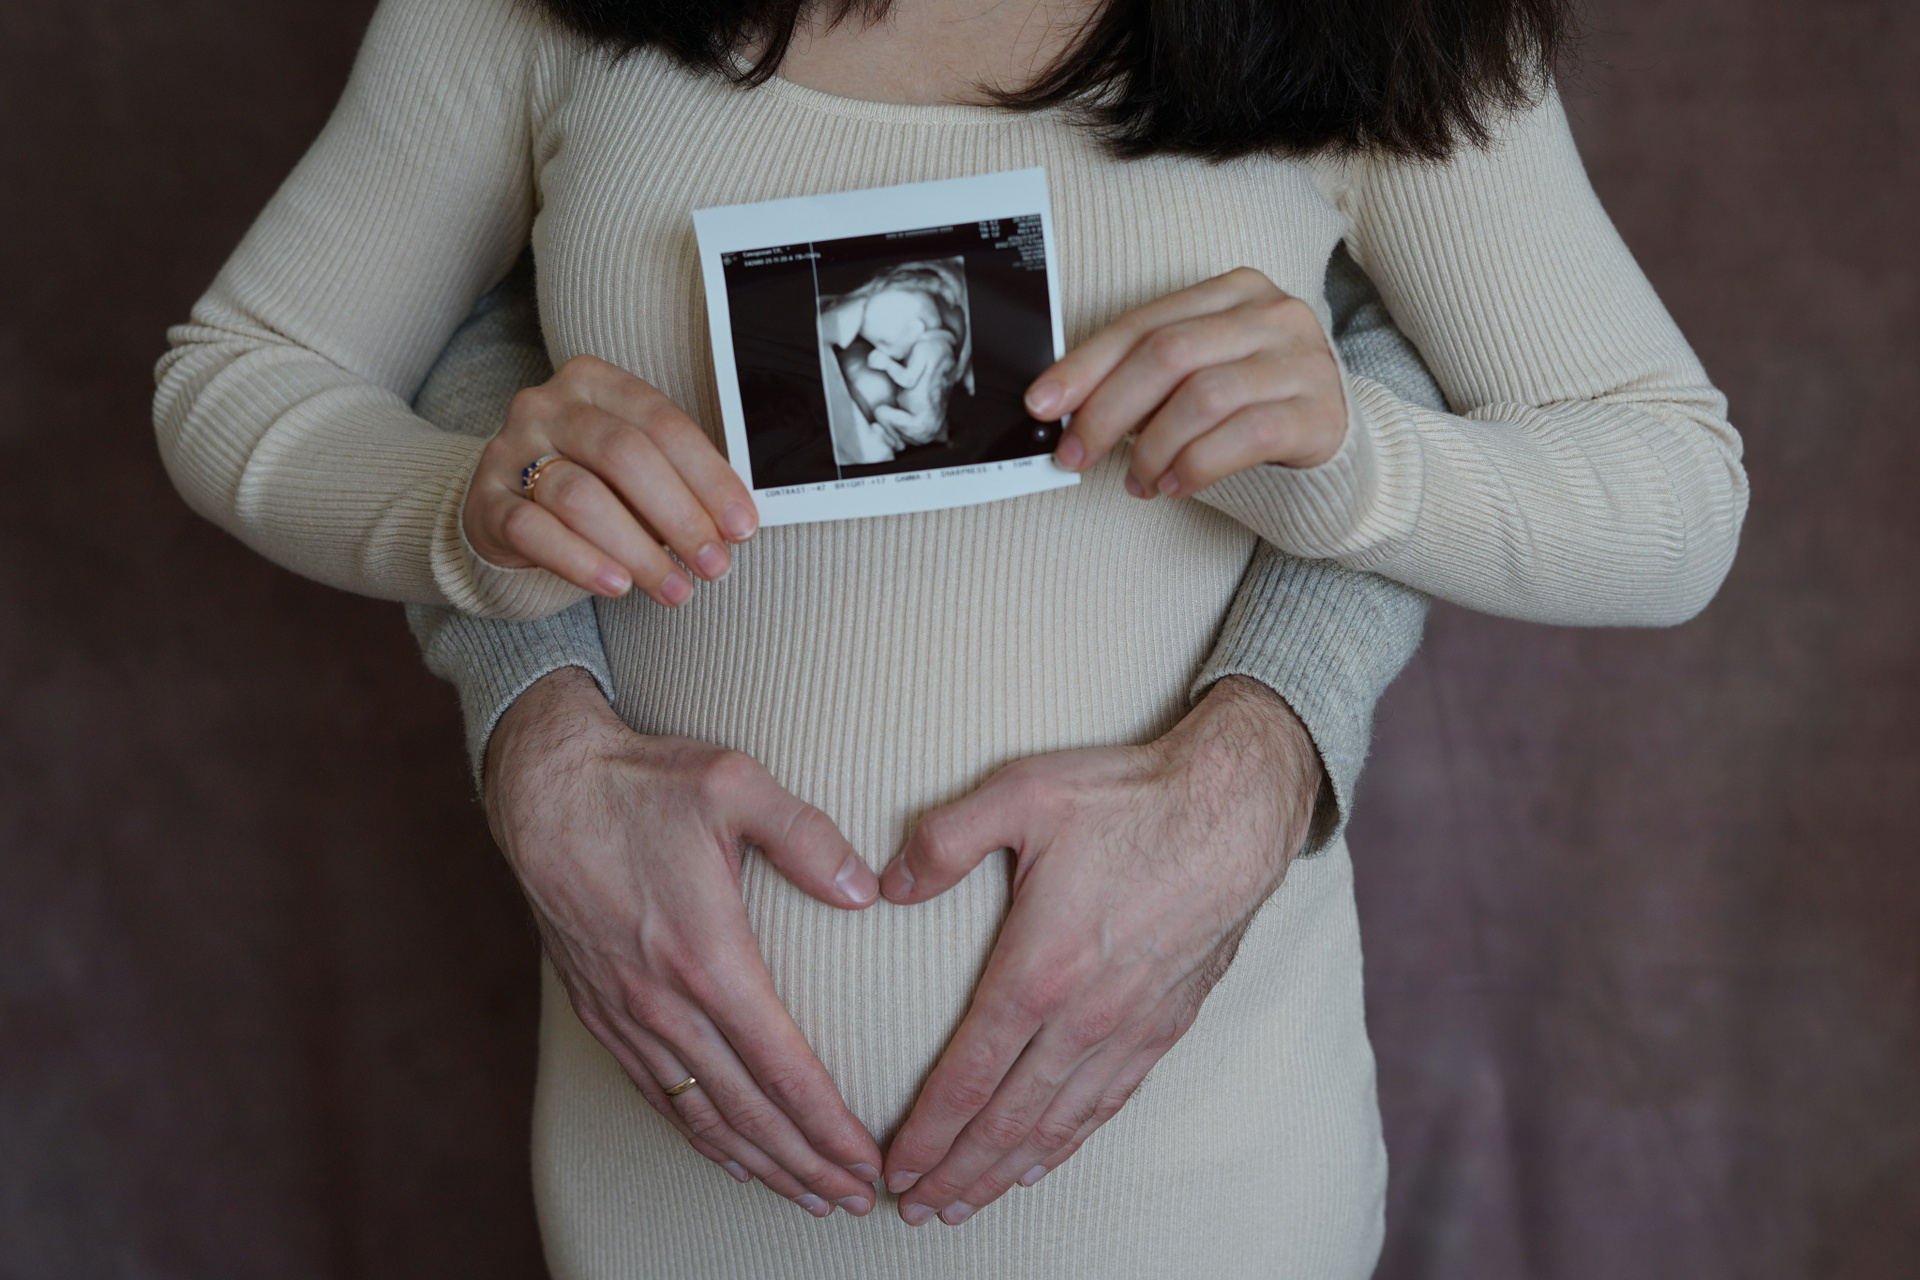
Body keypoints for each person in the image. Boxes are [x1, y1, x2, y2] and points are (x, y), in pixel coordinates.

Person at [152, 0, 1748, 1275]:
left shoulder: (1373, 23)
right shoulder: (519, 16)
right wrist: (467, 512)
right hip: (677, 1203)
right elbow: (241, 370)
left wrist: (1351, 464)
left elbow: (1673, 495)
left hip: (1204, 1202)